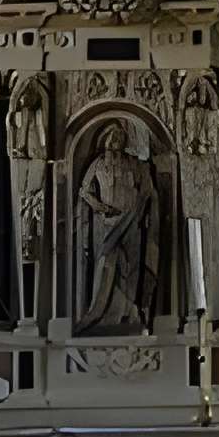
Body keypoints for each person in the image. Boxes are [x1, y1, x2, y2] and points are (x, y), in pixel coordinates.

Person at [76, 127, 155, 331]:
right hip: (108, 222)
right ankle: (98, 311)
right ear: (105, 139)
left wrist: (138, 211)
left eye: (120, 137)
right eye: (112, 136)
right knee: (105, 264)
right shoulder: (99, 164)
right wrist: (100, 207)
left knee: (131, 267)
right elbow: (84, 191)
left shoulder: (133, 163)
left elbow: (146, 188)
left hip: (131, 220)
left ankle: (128, 311)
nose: (116, 140)